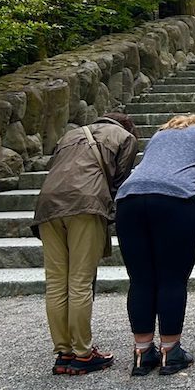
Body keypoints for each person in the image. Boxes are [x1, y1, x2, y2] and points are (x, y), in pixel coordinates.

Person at [115, 112, 195, 376]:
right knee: (172, 279)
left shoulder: (160, 134)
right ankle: (170, 350)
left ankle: (142, 353)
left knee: (140, 279)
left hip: (130, 199)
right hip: (176, 200)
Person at [31, 113, 138, 375]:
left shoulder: (69, 135)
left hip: (47, 206)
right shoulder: (125, 137)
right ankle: (83, 353)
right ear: (126, 126)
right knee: (80, 281)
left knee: (56, 281)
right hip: (85, 205)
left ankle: (63, 352)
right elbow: (119, 180)